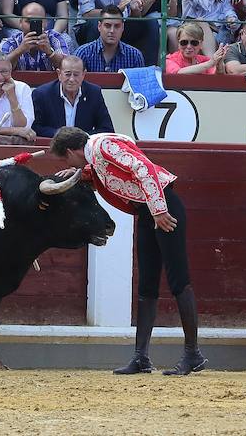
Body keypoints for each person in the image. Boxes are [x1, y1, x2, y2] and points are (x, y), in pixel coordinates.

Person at [50, 126, 207, 375]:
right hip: (148, 212)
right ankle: (141, 358)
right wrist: (82, 174)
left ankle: (193, 354)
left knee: (178, 278)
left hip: (163, 209)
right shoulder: (96, 152)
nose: (69, 163)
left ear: (71, 151)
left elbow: (142, 168)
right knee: (147, 283)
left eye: (66, 159)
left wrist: (159, 210)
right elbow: (111, 171)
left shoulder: (102, 146)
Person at [31, 55, 114, 137]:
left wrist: (82, 136)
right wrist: (60, 134)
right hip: (53, 146)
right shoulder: (42, 94)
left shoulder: (94, 93)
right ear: (59, 74)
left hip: (83, 146)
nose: (71, 79)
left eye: (76, 75)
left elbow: (107, 129)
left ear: (83, 75)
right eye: (67, 74)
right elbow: (34, 127)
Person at [0, 2, 71, 71]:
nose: (32, 25)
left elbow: (68, 67)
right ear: (20, 23)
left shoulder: (55, 38)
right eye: (28, 21)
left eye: (38, 21)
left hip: (50, 83)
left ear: (45, 23)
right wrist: (19, 50)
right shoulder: (11, 42)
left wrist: (50, 53)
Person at [75, 5, 145, 72]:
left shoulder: (134, 56)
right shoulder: (83, 54)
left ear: (122, 27)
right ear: (99, 26)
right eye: (107, 26)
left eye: (117, 26)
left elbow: (140, 84)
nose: (112, 30)